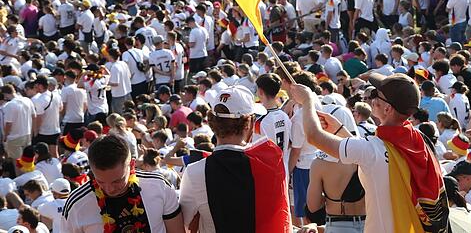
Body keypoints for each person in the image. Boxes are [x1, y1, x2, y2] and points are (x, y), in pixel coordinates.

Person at [288, 73, 449, 232]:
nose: (372, 98)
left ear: (387, 108)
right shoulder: (418, 141)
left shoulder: (372, 150)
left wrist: (307, 101)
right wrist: (340, 130)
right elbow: (374, 156)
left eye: (376, 95)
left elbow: (313, 136)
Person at [179, 85, 290, 232]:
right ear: (249, 123)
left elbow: (184, 223)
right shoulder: (273, 163)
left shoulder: (195, 172)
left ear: (211, 122)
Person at [62, 134, 184, 232]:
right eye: (100, 181)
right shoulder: (76, 205)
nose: (109, 189)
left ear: (132, 165)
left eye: (117, 181)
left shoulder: (159, 186)